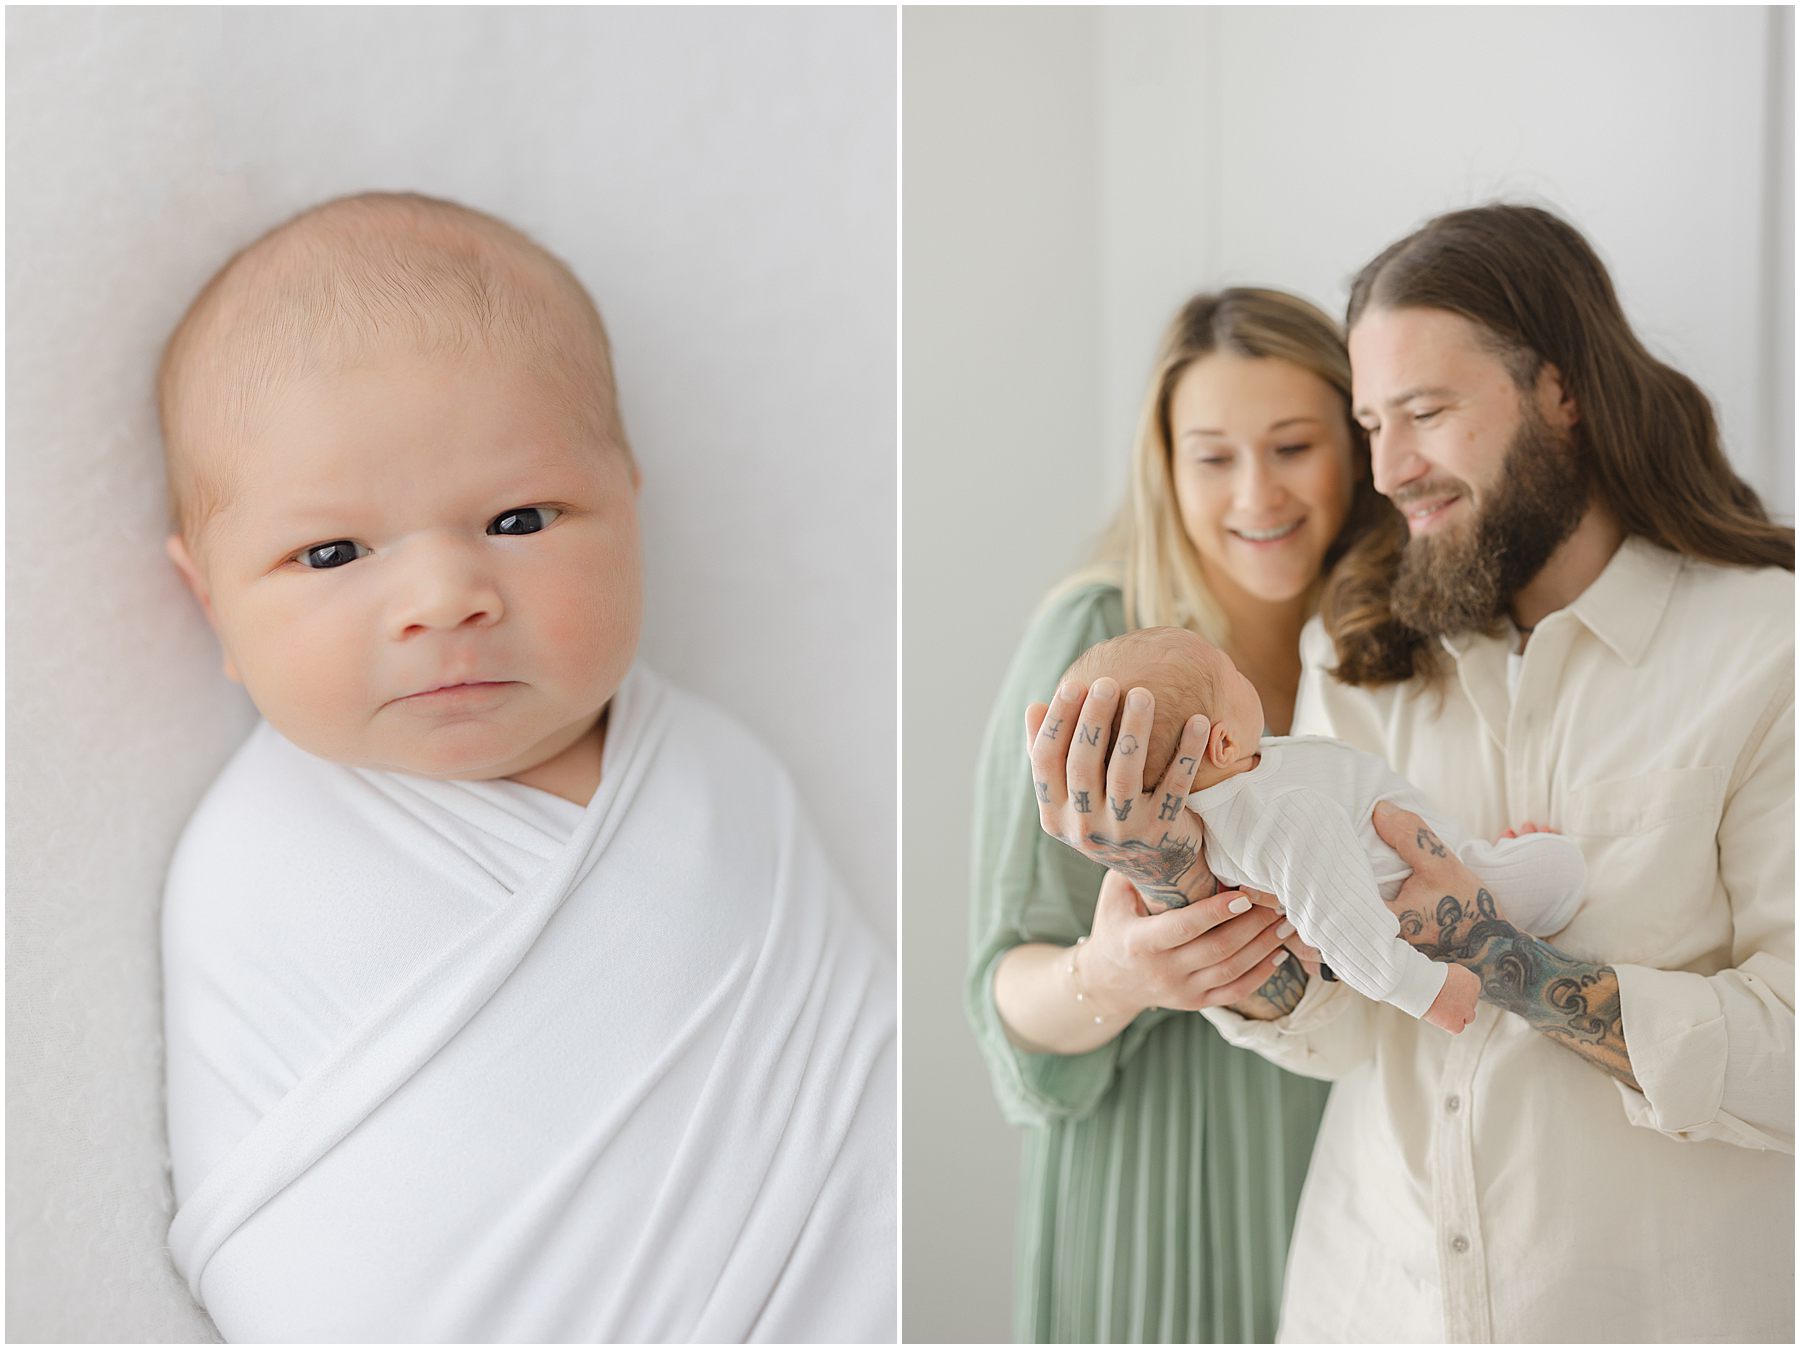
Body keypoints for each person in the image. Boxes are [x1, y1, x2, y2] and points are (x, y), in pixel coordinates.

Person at [1039, 204, 1793, 1341]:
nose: (1387, 471)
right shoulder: (1355, 649)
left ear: (1563, 392)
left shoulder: (1767, 653)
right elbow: (1337, 1028)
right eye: (1369, 423)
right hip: (1365, 1301)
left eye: (1427, 414)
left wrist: (1504, 957)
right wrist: (1180, 879)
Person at [156, 191, 895, 1342]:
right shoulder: (249, 862)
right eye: (333, 551)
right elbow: (289, 1231)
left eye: (517, 519)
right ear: (209, 597)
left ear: (629, 510)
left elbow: (861, 1095)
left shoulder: (722, 777)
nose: (446, 594)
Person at [968, 289, 1386, 1342]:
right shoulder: (1101, 641)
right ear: (1165, 466)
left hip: (1353, 1142)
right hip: (1157, 1158)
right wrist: (1112, 973)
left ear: (1356, 442)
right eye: (1213, 456)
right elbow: (1004, 982)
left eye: (1293, 444)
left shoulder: (1393, 640)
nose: (1258, 492)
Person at [1052, 625, 1589, 1031]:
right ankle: (1527, 886)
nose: (1244, 676)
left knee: (1520, 861)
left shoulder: (1246, 779)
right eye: (1232, 676)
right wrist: (1424, 991)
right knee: (1564, 868)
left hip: (1451, 856)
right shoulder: (1283, 820)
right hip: (1442, 898)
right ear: (1221, 744)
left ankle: (1502, 865)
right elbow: (1344, 932)